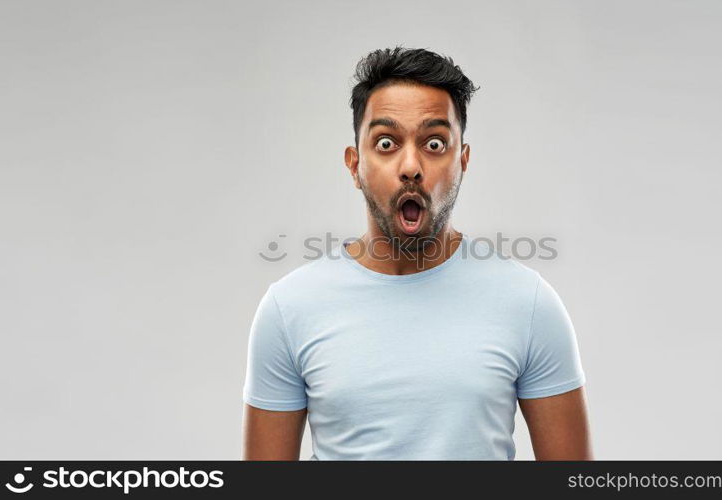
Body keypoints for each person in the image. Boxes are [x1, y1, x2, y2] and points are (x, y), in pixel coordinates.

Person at [242, 46, 592, 460]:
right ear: (354, 165)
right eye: (387, 142)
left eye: (435, 143)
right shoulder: (289, 308)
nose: (411, 165)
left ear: (463, 161)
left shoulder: (529, 304)